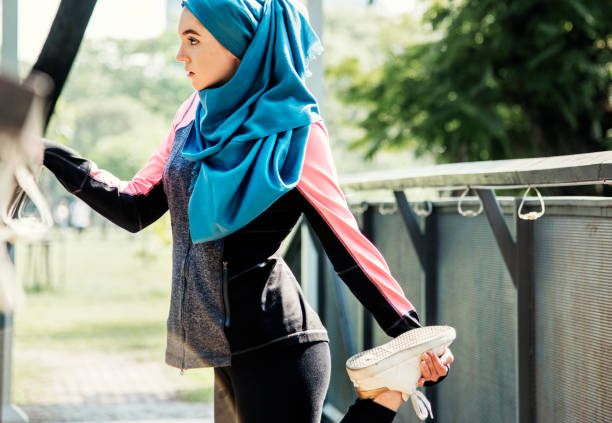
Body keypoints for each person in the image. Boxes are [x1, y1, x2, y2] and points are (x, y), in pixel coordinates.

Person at [41, 0, 454, 421]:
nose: (180, 54)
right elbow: (135, 207)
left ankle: (385, 395)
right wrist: (46, 153)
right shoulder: (191, 116)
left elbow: (347, 246)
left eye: (193, 39)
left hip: (280, 346)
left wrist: (412, 335)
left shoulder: (297, 130)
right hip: (221, 347)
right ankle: (385, 395)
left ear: (241, 45)